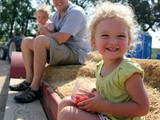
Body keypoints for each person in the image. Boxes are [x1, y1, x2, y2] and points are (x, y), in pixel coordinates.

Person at [57, 1, 149, 120]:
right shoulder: (100, 66)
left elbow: (143, 108)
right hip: (106, 114)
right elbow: (108, 94)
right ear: (93, 41)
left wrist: (103, 106)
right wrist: (94, 94)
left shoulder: (128, 71)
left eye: (121, 36)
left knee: (67, 114)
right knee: (65, 102)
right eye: (105, 35)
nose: (113, 41)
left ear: (129, 41)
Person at [9, 0, 91, 103]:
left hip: (75, 53)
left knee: (41, 40)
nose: (58, 1)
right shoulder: (56, 15)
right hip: (61, 48)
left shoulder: (76, 12)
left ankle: (35, 89)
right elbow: (51, 35)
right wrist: (42, 32)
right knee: (26, 41)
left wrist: (45, 34)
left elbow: (61, 38)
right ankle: (28, 81)